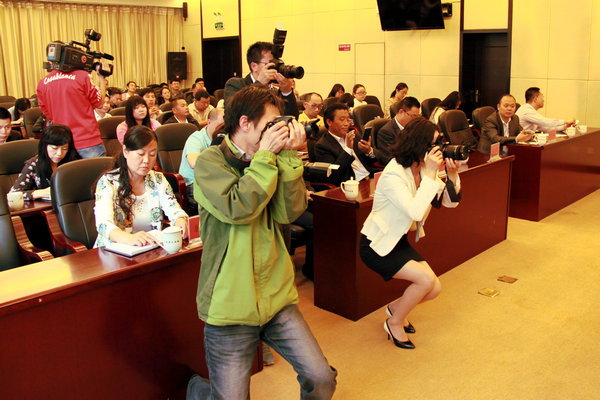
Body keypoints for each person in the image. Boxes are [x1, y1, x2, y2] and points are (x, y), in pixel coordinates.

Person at [187, 85, 336, 400]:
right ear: (244, 123)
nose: (275, 132)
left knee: (321, 378)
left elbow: (289, 212)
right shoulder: (210, 162)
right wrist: (267, 156)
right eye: (269, 125)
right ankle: (198, 391)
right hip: (230, 307)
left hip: (275, 298)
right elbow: (239, 207)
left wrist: (289, 155)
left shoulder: (270, 159)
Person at [360, 117, 462, 349]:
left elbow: (450, 203)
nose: (438, 149)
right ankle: (394, 322)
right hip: (376, 244)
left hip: (398, 241)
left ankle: (396, 308)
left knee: (434, 289)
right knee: (425, 280)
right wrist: (432, 175)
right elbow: (415, 211)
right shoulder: (394, 173)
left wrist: (452, 175)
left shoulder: (423, 168)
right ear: (419, 144)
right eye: (434, 144)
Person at [94, 125, 188, 248]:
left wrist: (180, 219)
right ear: (125, 151)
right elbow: (103, 224)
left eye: (152, 154)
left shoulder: (157, 179)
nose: (146, 160)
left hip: (148, 249)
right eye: (141, 154)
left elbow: (174, 209)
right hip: (113, 250)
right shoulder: (108, 182)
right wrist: (130, 238)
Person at [36, 58, 109, 158]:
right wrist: (101, 77)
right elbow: (99, 103)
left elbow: (48, 115)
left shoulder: (43, 83)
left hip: (62, 144)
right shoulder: (83, 76)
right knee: (96, 168)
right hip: (87, 141)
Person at [224, 41, 299, 118]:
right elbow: (233, 114)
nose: (274, 69)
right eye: (270, 64)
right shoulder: (235, 84)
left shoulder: (274, 91)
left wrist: (287, 92)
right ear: (254, 66)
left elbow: (292, 118)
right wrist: (259, 84)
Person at [10, 124, 80, 200]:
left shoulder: (73, 161)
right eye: (54, 148)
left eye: (64, 149)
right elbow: (13, 194)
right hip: (45, 206)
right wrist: (41, 193)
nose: (59, 153)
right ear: (44, 146)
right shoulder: (34, 164)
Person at [314, 102, 376, 186]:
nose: (346, 124)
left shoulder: (355, 135)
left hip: (371, 178)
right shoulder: (322, 146)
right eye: (342, 119)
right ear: (329, 122)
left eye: (348, 119)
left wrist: (369, 152)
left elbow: (375, 161)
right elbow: (333, 174)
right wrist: (348, 149)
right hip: (351, 185)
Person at [179, 107, 224, 198]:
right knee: (222, 196)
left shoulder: (224, 137)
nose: (222, 129)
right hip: (193, 183)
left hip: (214, 180)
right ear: (209, 122)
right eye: (220, 125)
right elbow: (193, 163)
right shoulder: (196, 138)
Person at [376, 97, 421, 165]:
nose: (416, 120)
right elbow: (389, 159)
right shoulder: (386, 132)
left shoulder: (414, 127)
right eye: (414, 116)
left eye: (417, 117)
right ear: (401, 112)